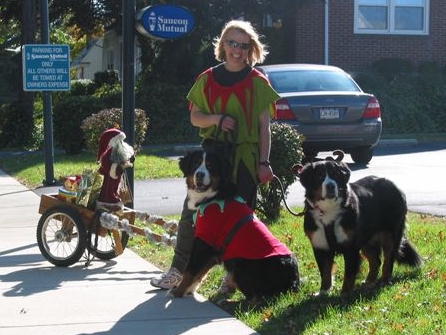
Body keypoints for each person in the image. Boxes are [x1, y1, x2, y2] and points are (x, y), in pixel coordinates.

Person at [150, 20, 280, 294]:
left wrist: (264, 162)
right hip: (210, 156)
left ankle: (232, 278)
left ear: (251, 50)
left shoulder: (258, 82)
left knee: (241, 219)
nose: (237, 50)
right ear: (222, 45)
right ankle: (178, 271)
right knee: (190, 217)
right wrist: (217, 119)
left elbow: (264, 127)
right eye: (232, 43)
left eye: (243, 46)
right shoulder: (207, 79)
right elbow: (195, 117)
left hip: (245, 158)